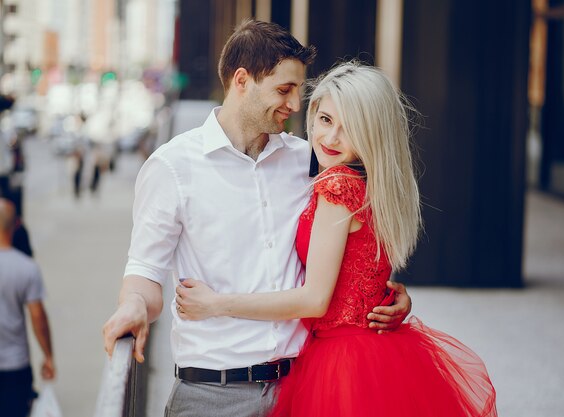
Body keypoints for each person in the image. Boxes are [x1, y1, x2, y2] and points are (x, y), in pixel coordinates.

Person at [102, 19, 412, 417]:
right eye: (284, 90)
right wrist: (132, 305)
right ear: (243, 81)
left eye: (299, 90)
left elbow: (355, 244)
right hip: (212, 394)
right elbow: (145, 269)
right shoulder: (172, 167)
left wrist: (387, 295)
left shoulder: (311, 160)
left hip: (302, 386)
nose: (296, 105)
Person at [175, 62, 499, 417]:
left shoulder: (337, 186)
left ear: (373, 134)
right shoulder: (376, 184)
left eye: (350, 129)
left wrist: (216, 304)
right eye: (325, 120)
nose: (329, 139)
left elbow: (314, 299)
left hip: (342, 362)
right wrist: (395, 298)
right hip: (379, 354)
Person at [0, 198, 55, 417]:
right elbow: (37, 317)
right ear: (15, 226)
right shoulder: (27, 268)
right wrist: (48, 356)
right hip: (16, 366)